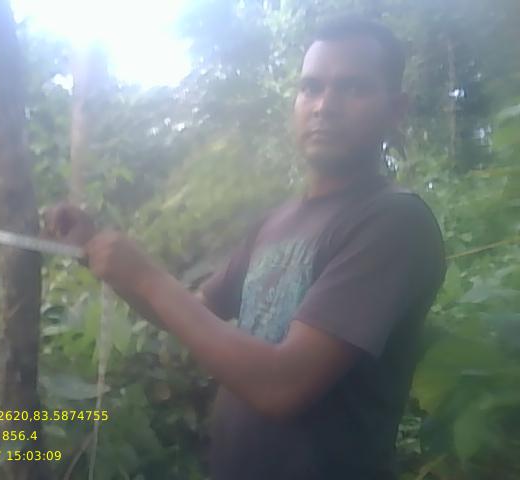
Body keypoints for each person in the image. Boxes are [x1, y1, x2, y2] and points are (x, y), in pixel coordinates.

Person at [43, 15, 447, 480]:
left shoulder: (393, 222)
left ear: (396, 110)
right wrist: (97, 252)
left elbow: (283, 385)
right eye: (311, 87)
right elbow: (193, 315)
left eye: (353, 88)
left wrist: (146, 277)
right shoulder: (277, 221)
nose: (324, 106)